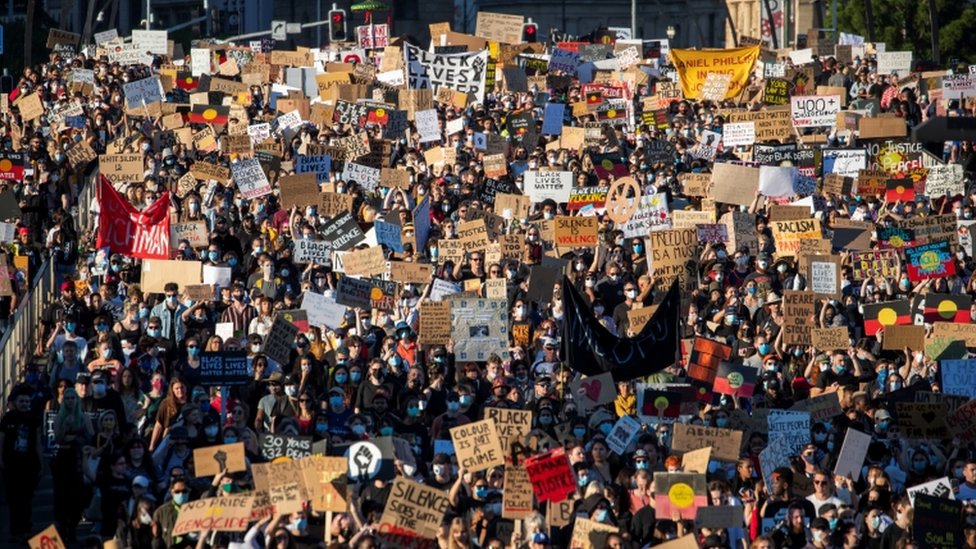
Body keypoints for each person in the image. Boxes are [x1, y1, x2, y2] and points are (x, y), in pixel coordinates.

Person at [0, 385, 43, 542]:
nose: (24, 404)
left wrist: (41, 462)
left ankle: (26, 529)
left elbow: (38, 442)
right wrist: (1, 459)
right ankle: (14, 530)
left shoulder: (33, 419)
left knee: (26, 498)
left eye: (26, 401)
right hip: (11, 463)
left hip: (29, 464)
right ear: (15, 402)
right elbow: (2, 440)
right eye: (21, 401)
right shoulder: (7, 418)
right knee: (13, 499)